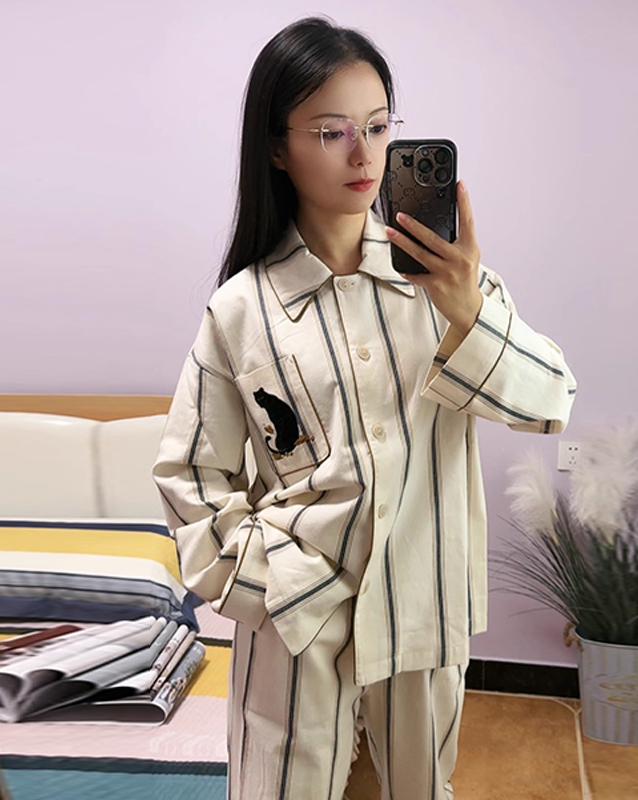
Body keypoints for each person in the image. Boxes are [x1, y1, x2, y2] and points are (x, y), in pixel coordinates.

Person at [152, 15, 577, 800]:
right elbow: (191, 478)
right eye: (332, 132)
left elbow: (552, 399)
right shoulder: (241, 310)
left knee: (418, 788)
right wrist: (270, 585)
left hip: (423, 605)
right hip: (297, 614)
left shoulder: (448, 284)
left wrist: (467, 311)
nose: (364, 154)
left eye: (379, 127)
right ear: (277, 148)